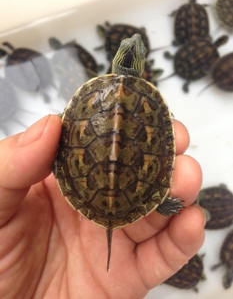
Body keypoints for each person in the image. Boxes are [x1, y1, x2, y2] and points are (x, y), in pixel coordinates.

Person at [0, 114, 205, 299]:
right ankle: (159, 202)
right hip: (127, 193)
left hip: (87, 189)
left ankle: (159, 202)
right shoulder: (148, 106)